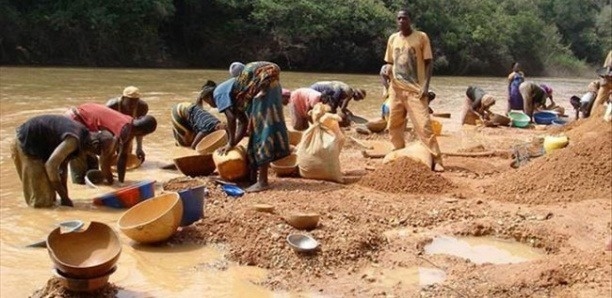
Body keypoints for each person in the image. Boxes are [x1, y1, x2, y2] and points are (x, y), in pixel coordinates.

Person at [202, 61, 290, 192]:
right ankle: (253, 178)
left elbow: (230, 119)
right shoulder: (235, 94)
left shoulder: (218, 93)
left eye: (208, 102)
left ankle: (263, 182)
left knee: (262, 131)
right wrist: (233, 144)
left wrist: (230, 142)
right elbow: (242, 124)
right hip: (271, 85)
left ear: (209, 96)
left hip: (264, 85)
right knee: (257, 130)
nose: (211, 105)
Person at [384, 8, 443, 170]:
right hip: (396, 88)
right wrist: (385, 72)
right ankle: (398, 152)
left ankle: (437, 159)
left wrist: (425, 86)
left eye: (404, 18)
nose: (401, 21)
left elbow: (429, 62)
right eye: (399, 19)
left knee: (423, 125)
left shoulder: (421, 37)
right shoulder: (392, 39)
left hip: (415, 89)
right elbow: (390, 63)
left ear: (410, 20)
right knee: (394, 124)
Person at [11, 115, 114, 207]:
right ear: (94, 144)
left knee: (51, 198)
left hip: (39, 148)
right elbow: (51, 166)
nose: (92, 155)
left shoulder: (82, 137)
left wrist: (65, 197)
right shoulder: (73, 140)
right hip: (25, 143)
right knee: (41, 201)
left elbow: (62, 168)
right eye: (95, 152)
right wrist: (64, 197)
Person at [66, 103, 157, 184]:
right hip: (74, 119)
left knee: (92, 164)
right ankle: (79, 185)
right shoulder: (123, 129)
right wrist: (110, 180)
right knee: (79, 160)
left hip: (85, 114)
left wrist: (121, 182)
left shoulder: (130, 124)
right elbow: (105, 160)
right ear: (143, 133)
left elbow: (123, 156)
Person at [171, 81, 226, 148]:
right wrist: (194, 148)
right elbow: (197, 142)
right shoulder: (209, 126)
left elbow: (198, 108)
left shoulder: (212, 125)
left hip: (186, 108)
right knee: (187, 143)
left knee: (195, 135)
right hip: (179, 111)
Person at [106, 86, 149, 162]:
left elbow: (139, 128)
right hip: (112, 128)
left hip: (128, 129)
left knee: (125, 156)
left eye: (136, 101)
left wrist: (139, 147)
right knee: (108, 155)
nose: (133, 105)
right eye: (130, 102)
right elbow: (105, 126)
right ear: (123, 98)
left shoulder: (142, 107)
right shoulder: (112, 106)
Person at [590, 50, 612, 116]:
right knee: (599, 100)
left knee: (599, 100)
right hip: (608, 78)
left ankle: (592, 118)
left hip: (606, 79)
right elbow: (610, 65)